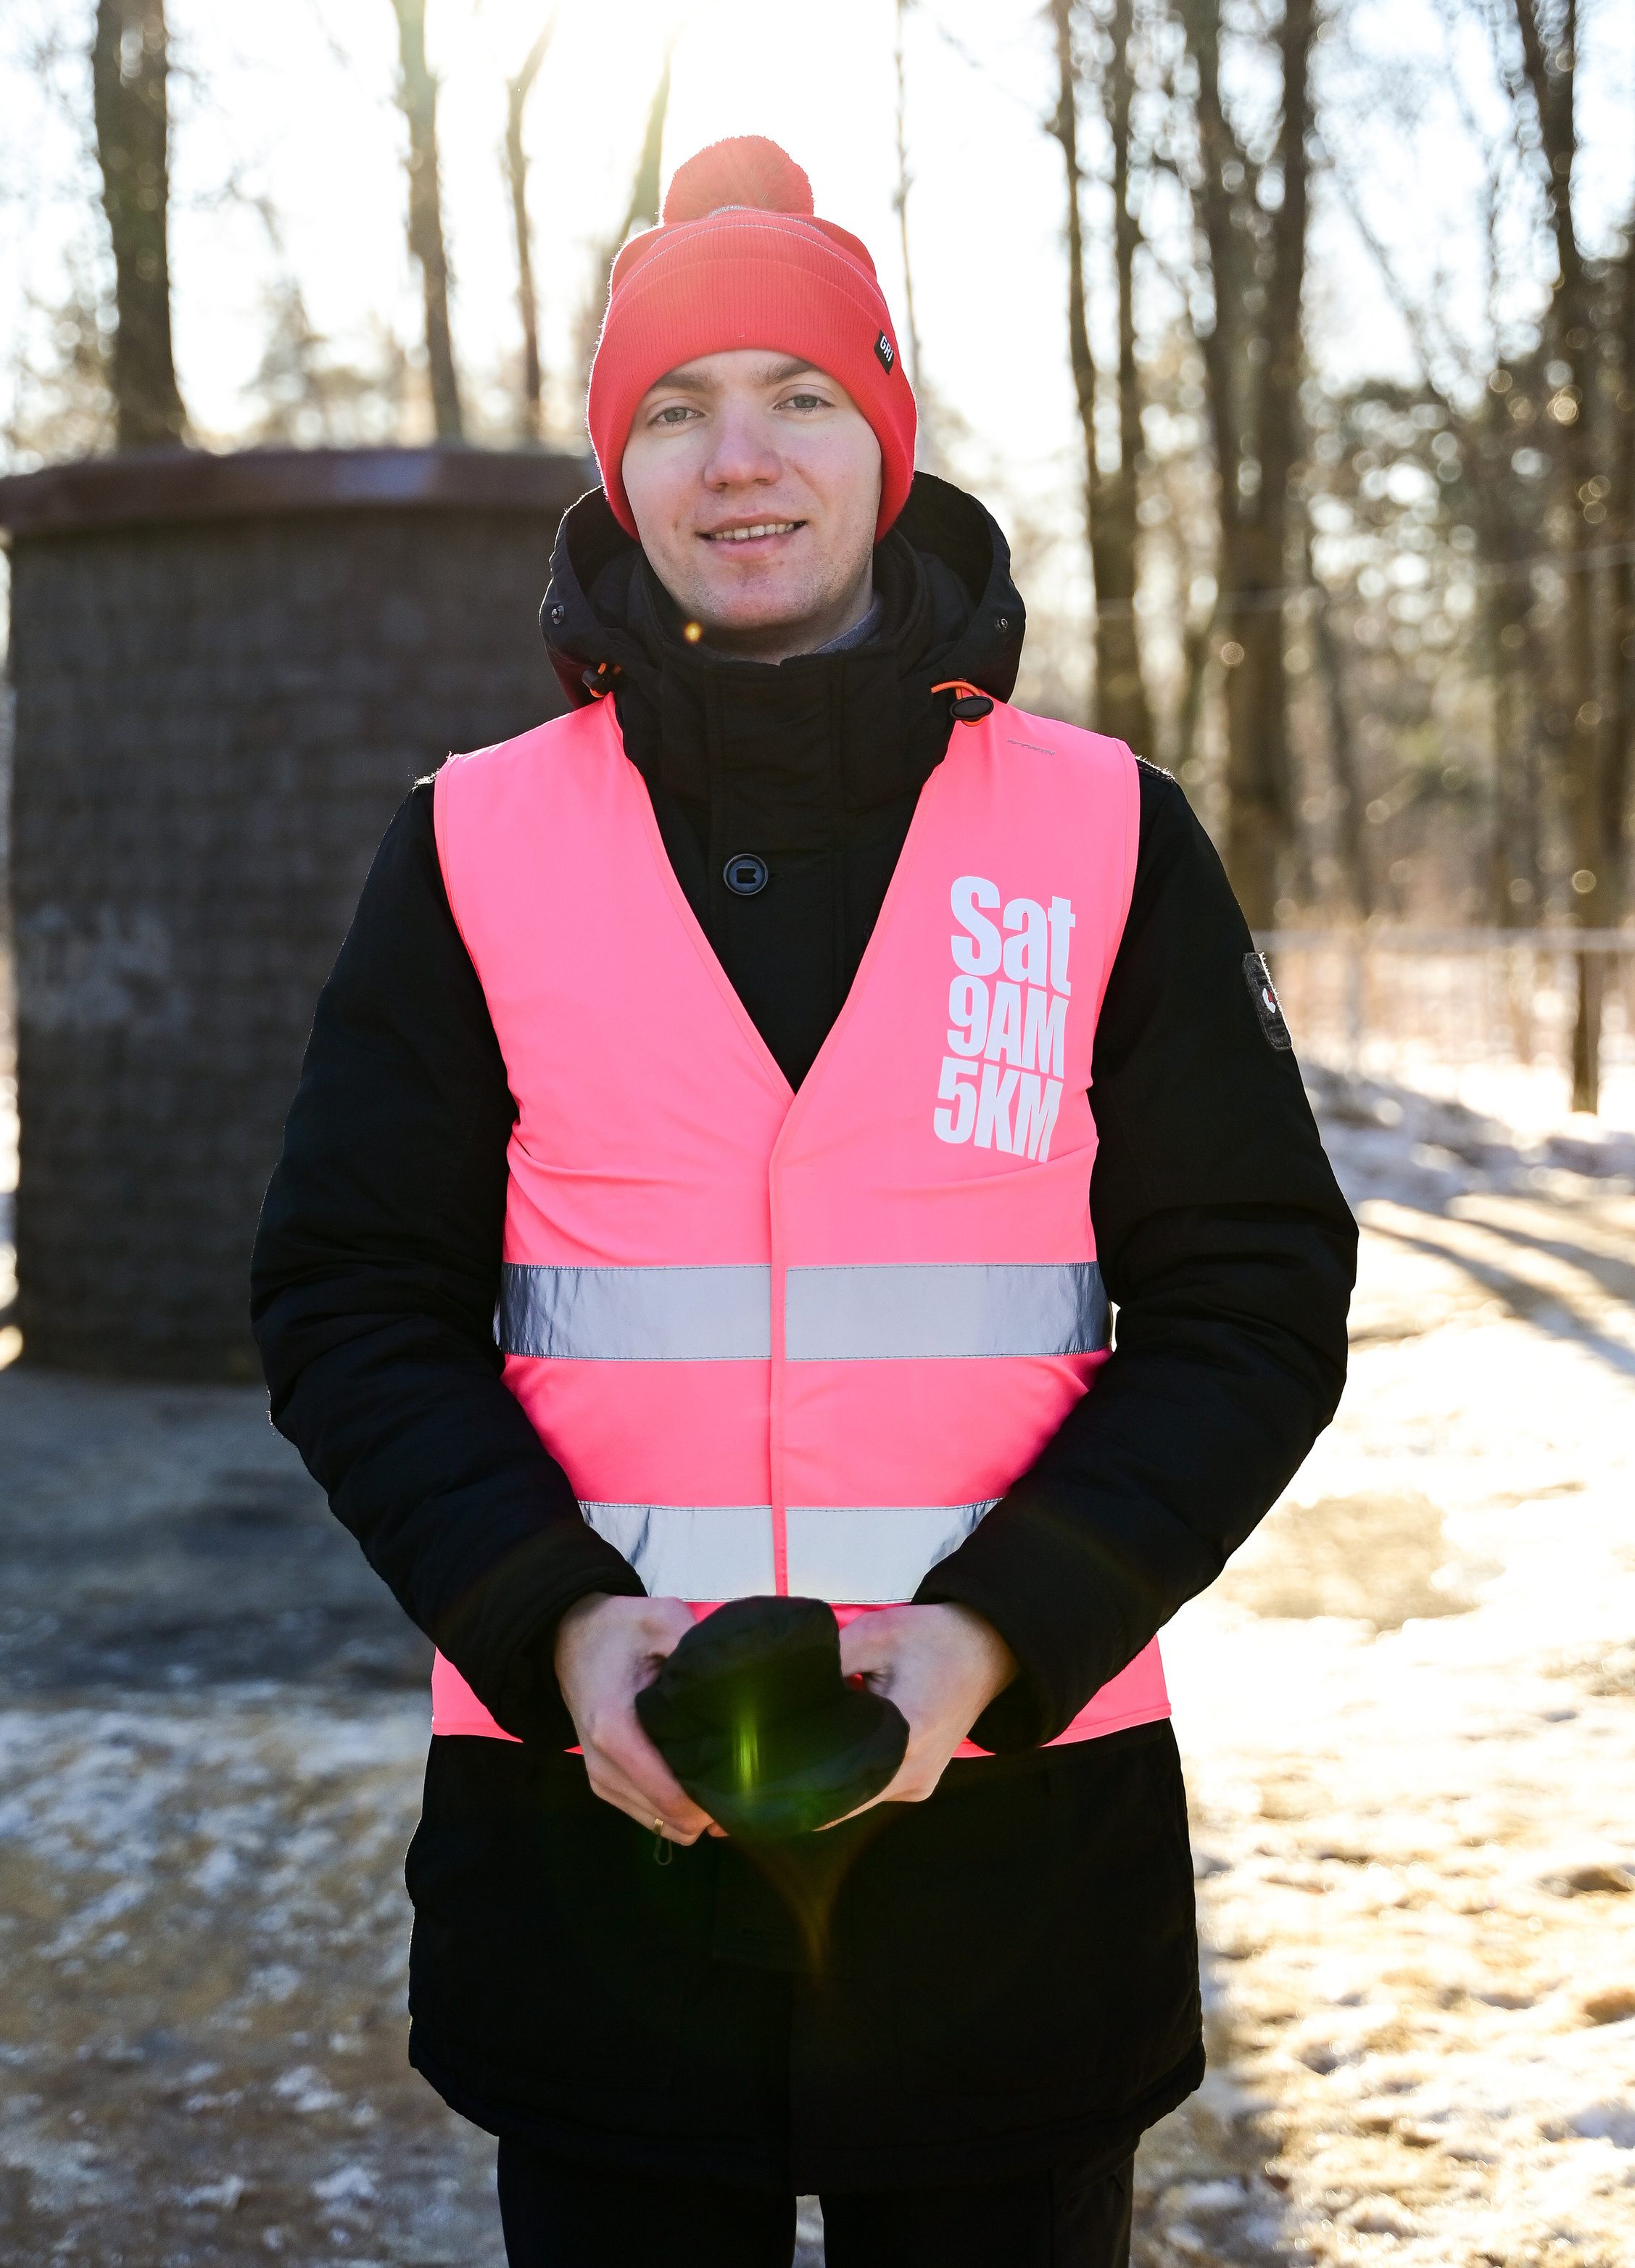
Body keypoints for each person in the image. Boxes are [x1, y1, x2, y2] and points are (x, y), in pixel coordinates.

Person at [251, 134, 1356, 2268]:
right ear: (616, 463)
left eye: (799, 395)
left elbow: (1251, 1301)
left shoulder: (1102, 832)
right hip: (595, 1851)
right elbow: (350, 1301)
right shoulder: (470, 847)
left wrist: (997, 1637)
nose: (736, 458)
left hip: (1014, 1849)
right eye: (674, 405)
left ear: (889, 436)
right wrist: (557, 1629)